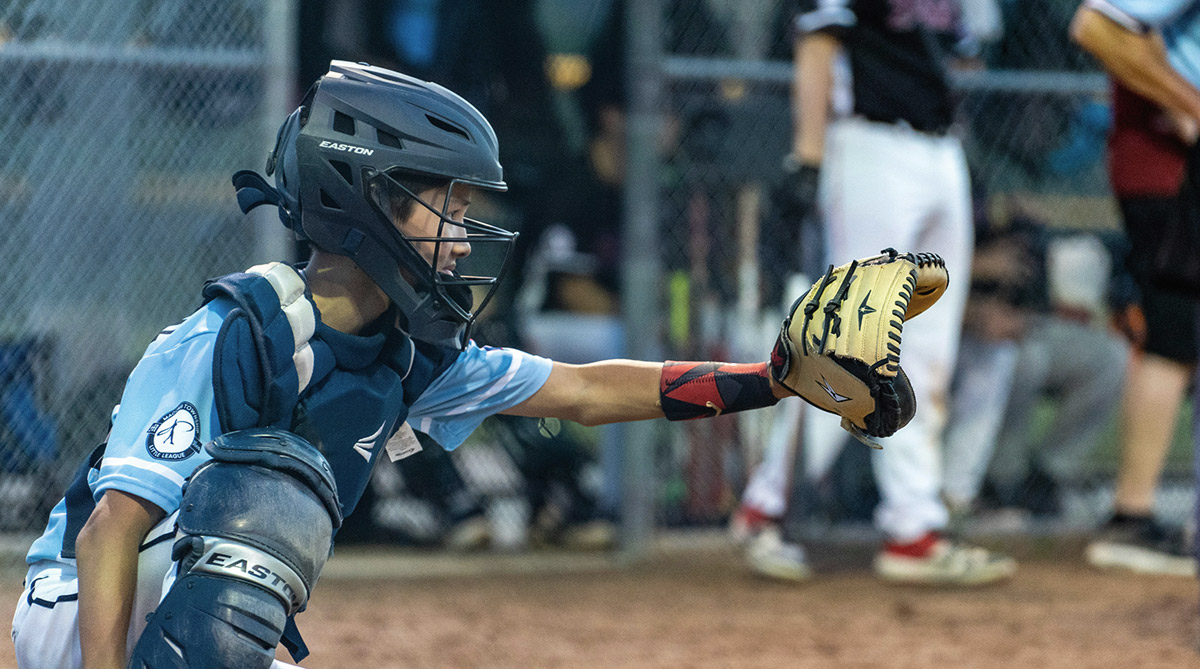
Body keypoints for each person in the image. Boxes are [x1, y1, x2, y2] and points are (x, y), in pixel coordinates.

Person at [9, 61, 924, 668]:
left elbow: (586, 390)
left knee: (259, 539)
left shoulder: (412, 355)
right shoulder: (234, 334)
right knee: (262, 502)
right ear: (363, 197)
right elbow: (108, 532)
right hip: (80, 608)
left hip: (203, 608)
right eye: (443, 205)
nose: (461, 234)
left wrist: (770, 377)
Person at [731, 0, 1016, 586]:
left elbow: (964, 57)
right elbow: (818, 42)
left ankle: (913, 528)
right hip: (871, 148)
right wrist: (809, 157)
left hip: (943, 149)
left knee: (926, 358)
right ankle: (765, 507)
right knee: (849, 343)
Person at [1071, 1, 1200, 576]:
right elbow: (1098, 26)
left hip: (1170, 167)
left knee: (1179, 335)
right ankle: (1133, 513)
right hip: (1167, 168)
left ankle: (1140, 514)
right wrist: (1189, 103)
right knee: (1174, 333)